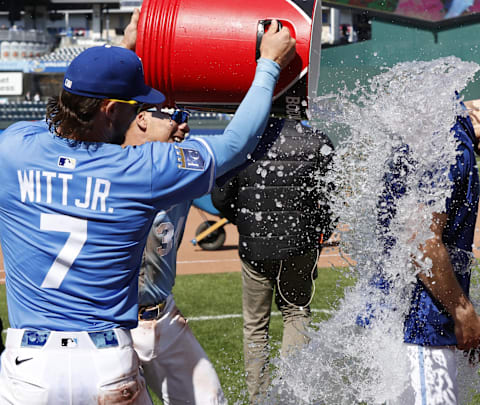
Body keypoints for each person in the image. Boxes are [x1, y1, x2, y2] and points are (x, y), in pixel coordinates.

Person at [0, 12, 295, 403]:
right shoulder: (139, 169)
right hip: (106, 361)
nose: (139, 110)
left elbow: (59, 119)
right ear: (109, 111)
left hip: (29, 366)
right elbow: (235, 145)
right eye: (132, 103)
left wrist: (118, 55)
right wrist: (270, 65)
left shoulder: (13, 149)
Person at [370, 81, 480, 404]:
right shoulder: (452, 145)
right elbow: (420, 237)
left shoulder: (437, 122)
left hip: (394, 315)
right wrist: (462, 311)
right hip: (420, 327)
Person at [211, 118, 335, 403]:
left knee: (255, 326)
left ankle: (259, 398)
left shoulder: (243, 138)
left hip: (256, 247)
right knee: (296, 314)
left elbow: (220, 196)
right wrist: (320, 230)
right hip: (301, 244)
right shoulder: (316, 139)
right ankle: (292, 394)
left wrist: (244, 221)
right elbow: (332, 197)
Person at [122, 105, 226, 404]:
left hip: (162, 314)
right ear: (141, 118)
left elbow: (219, 201)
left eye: (187, 119)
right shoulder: (107, 164)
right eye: (175, 117)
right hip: (111, 320)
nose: (184, 127)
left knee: (208, 398)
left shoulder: (183, 171)